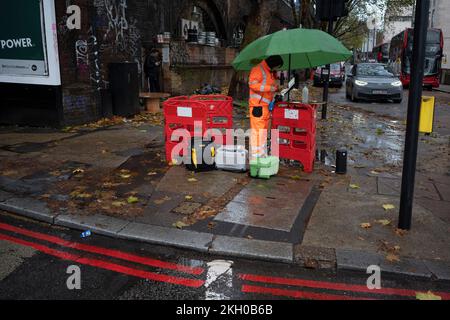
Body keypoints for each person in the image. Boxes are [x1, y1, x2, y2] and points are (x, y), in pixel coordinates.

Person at [248, 55, 283, 160]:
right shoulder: (258, 69)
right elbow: (252, 84)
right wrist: (271, 88)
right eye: (277, 66)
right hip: (258, 106)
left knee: (262, 133)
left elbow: (267, 88)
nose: (277, 69)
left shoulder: (269, 72)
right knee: (257, 133)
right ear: (273, 64)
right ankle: (255, 158)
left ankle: (261, 156)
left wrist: (275, 89)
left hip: (265, 107)